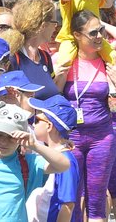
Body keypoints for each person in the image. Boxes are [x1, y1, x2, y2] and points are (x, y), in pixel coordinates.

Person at [54, 10, 116, 222]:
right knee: (71, 199)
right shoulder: (63, 59)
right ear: (77, 35)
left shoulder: (109, 60)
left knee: (97, 201)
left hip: (102, 137)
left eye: (101, 31)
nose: (99, 37)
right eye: (93, 33)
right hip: (71, 138)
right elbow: (54, 98)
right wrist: (59, 77)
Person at [0, 102, 70, 222]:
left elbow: (63, 165)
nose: (4, 142)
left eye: (11, 137)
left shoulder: (28, 163)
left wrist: (35, 146)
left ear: (21, 138)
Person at [30, 94, 79, 222]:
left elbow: (67, 206)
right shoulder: (47, 153)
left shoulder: (65, 161)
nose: (33, 125)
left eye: (36, 120)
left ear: (49, 126)